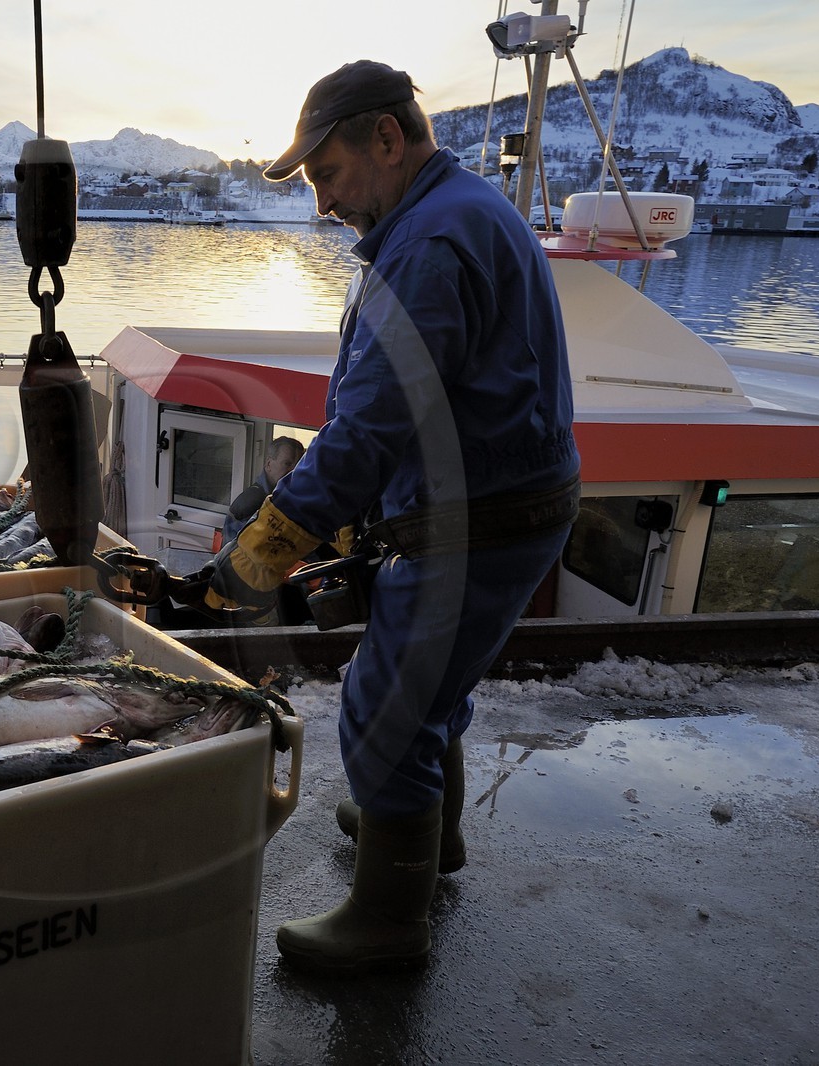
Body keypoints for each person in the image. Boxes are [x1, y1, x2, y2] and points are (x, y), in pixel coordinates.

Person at [207, 60, 580, 974]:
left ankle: (388, 922)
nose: (324, 204)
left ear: (385, 138)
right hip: (506, 505)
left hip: (477, 519)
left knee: (385, 709)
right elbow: (390, 406)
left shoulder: (426, 245)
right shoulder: (451, 213)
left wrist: (260, 552)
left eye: (328, 176)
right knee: (431, 691)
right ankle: (426, 833)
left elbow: (373, 424)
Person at [221, 435, 303, 546]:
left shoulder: (282, 498)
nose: (294, 471)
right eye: (287, 464)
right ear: (269, 464)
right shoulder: (253, 502)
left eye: (299, 465)